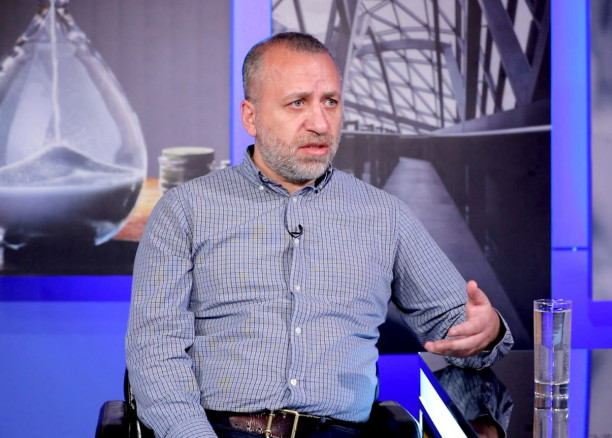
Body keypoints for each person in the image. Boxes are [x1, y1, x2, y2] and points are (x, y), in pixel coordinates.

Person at [126, 31, 513, 438]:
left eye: (330, 102)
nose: (320, 123)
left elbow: (462, 332)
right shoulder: (184, 210)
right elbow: (155, 352)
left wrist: (487, 332)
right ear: (251, 116)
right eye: (298, 103)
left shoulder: (386, 216)